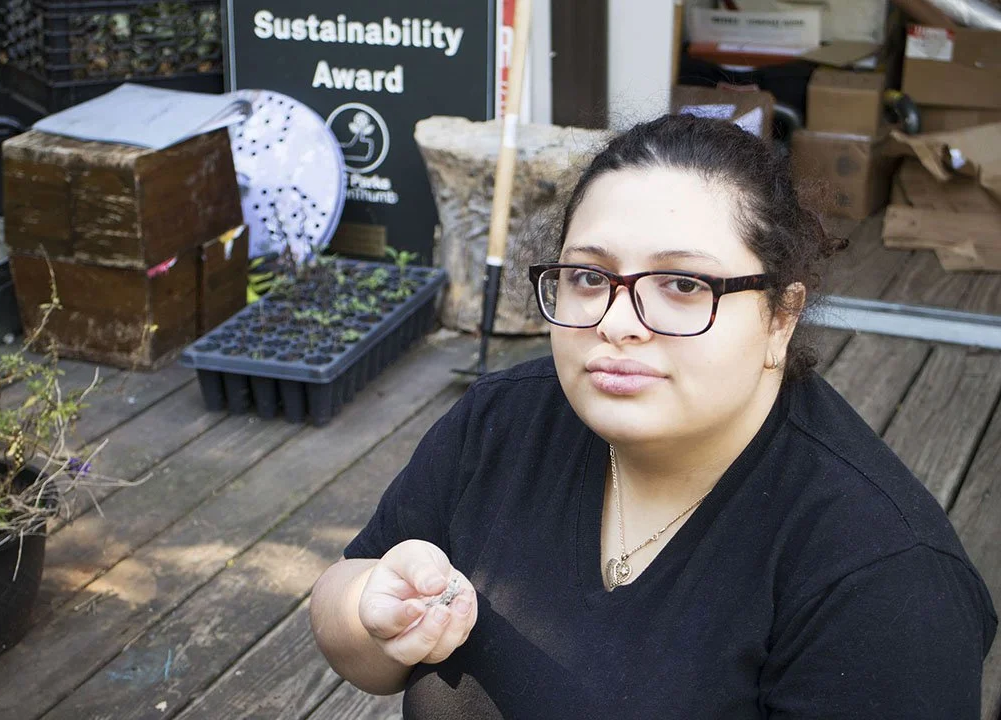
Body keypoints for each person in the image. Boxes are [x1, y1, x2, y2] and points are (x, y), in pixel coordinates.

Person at [309, 114, 997, 718]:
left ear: (781, 317)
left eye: (683, 285)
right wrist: (373, 606)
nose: (617, 322)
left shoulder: (885, 582)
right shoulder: (504, 421)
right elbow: (352, 617)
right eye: (588, 276)